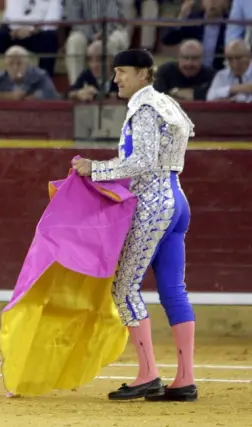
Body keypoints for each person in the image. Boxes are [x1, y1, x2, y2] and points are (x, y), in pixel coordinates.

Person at [73, 49, 198, 402]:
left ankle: (148, 375)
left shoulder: (144, 108)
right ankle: (185, 380)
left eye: (122, 71)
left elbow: (141, 161)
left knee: (124, 288)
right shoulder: (167, 103)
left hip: (153, 204)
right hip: (176, 200)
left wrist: (95, 169)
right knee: (173, 290)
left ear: (143, 73)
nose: (115, 78)